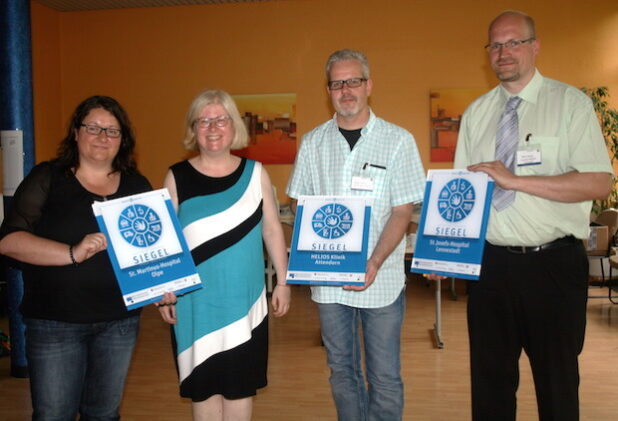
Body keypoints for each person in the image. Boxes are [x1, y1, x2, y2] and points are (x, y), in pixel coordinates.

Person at [454, 10, 613, 421]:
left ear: (535, 46)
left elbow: (598, 183)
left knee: (557, 386)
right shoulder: (476, 113)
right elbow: (462, 195)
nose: (504, 52)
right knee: (490, 388)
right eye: (495, 44)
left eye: (514, 42)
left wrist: (517, 181)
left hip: (553, 266)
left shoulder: (570, 104)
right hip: (491, 268)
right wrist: (448, 251)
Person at [286, 49, 425, 421]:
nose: (346, 90)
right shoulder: (313, 143)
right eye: (337, 83)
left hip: (382, 280)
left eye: (353, 81)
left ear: (369, 86)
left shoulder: (398, 140)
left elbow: (403, 210)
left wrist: (373, 262)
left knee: (384, 376)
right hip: (328, 282)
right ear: (328, 90)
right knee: (342, 371)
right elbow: (302, 206)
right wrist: (312, 252)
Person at [0, 95, 152, 420]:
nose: (102, 137)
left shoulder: (137, 185)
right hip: (55, 323)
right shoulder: (48, 178)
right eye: (93, 127)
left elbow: (150, 249)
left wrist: (163, 285)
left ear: (123, 140)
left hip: (119, 323)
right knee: (54, 415)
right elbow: (9, 241)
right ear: (76, 132)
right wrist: (72, 253)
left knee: (104, 414)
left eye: (112, 131)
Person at [157, 89, 291, 421]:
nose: (212, 127)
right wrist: (164, 292)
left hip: (244, 300)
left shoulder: (256, 173)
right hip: (194, 303)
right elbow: (165, 244)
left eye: (220, 119)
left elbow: (272, 229)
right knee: (203, 391)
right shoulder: (176, 177)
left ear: (233, 127)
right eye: (203, 120)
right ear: (193, 128)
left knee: (239, 389)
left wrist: (284, 282)